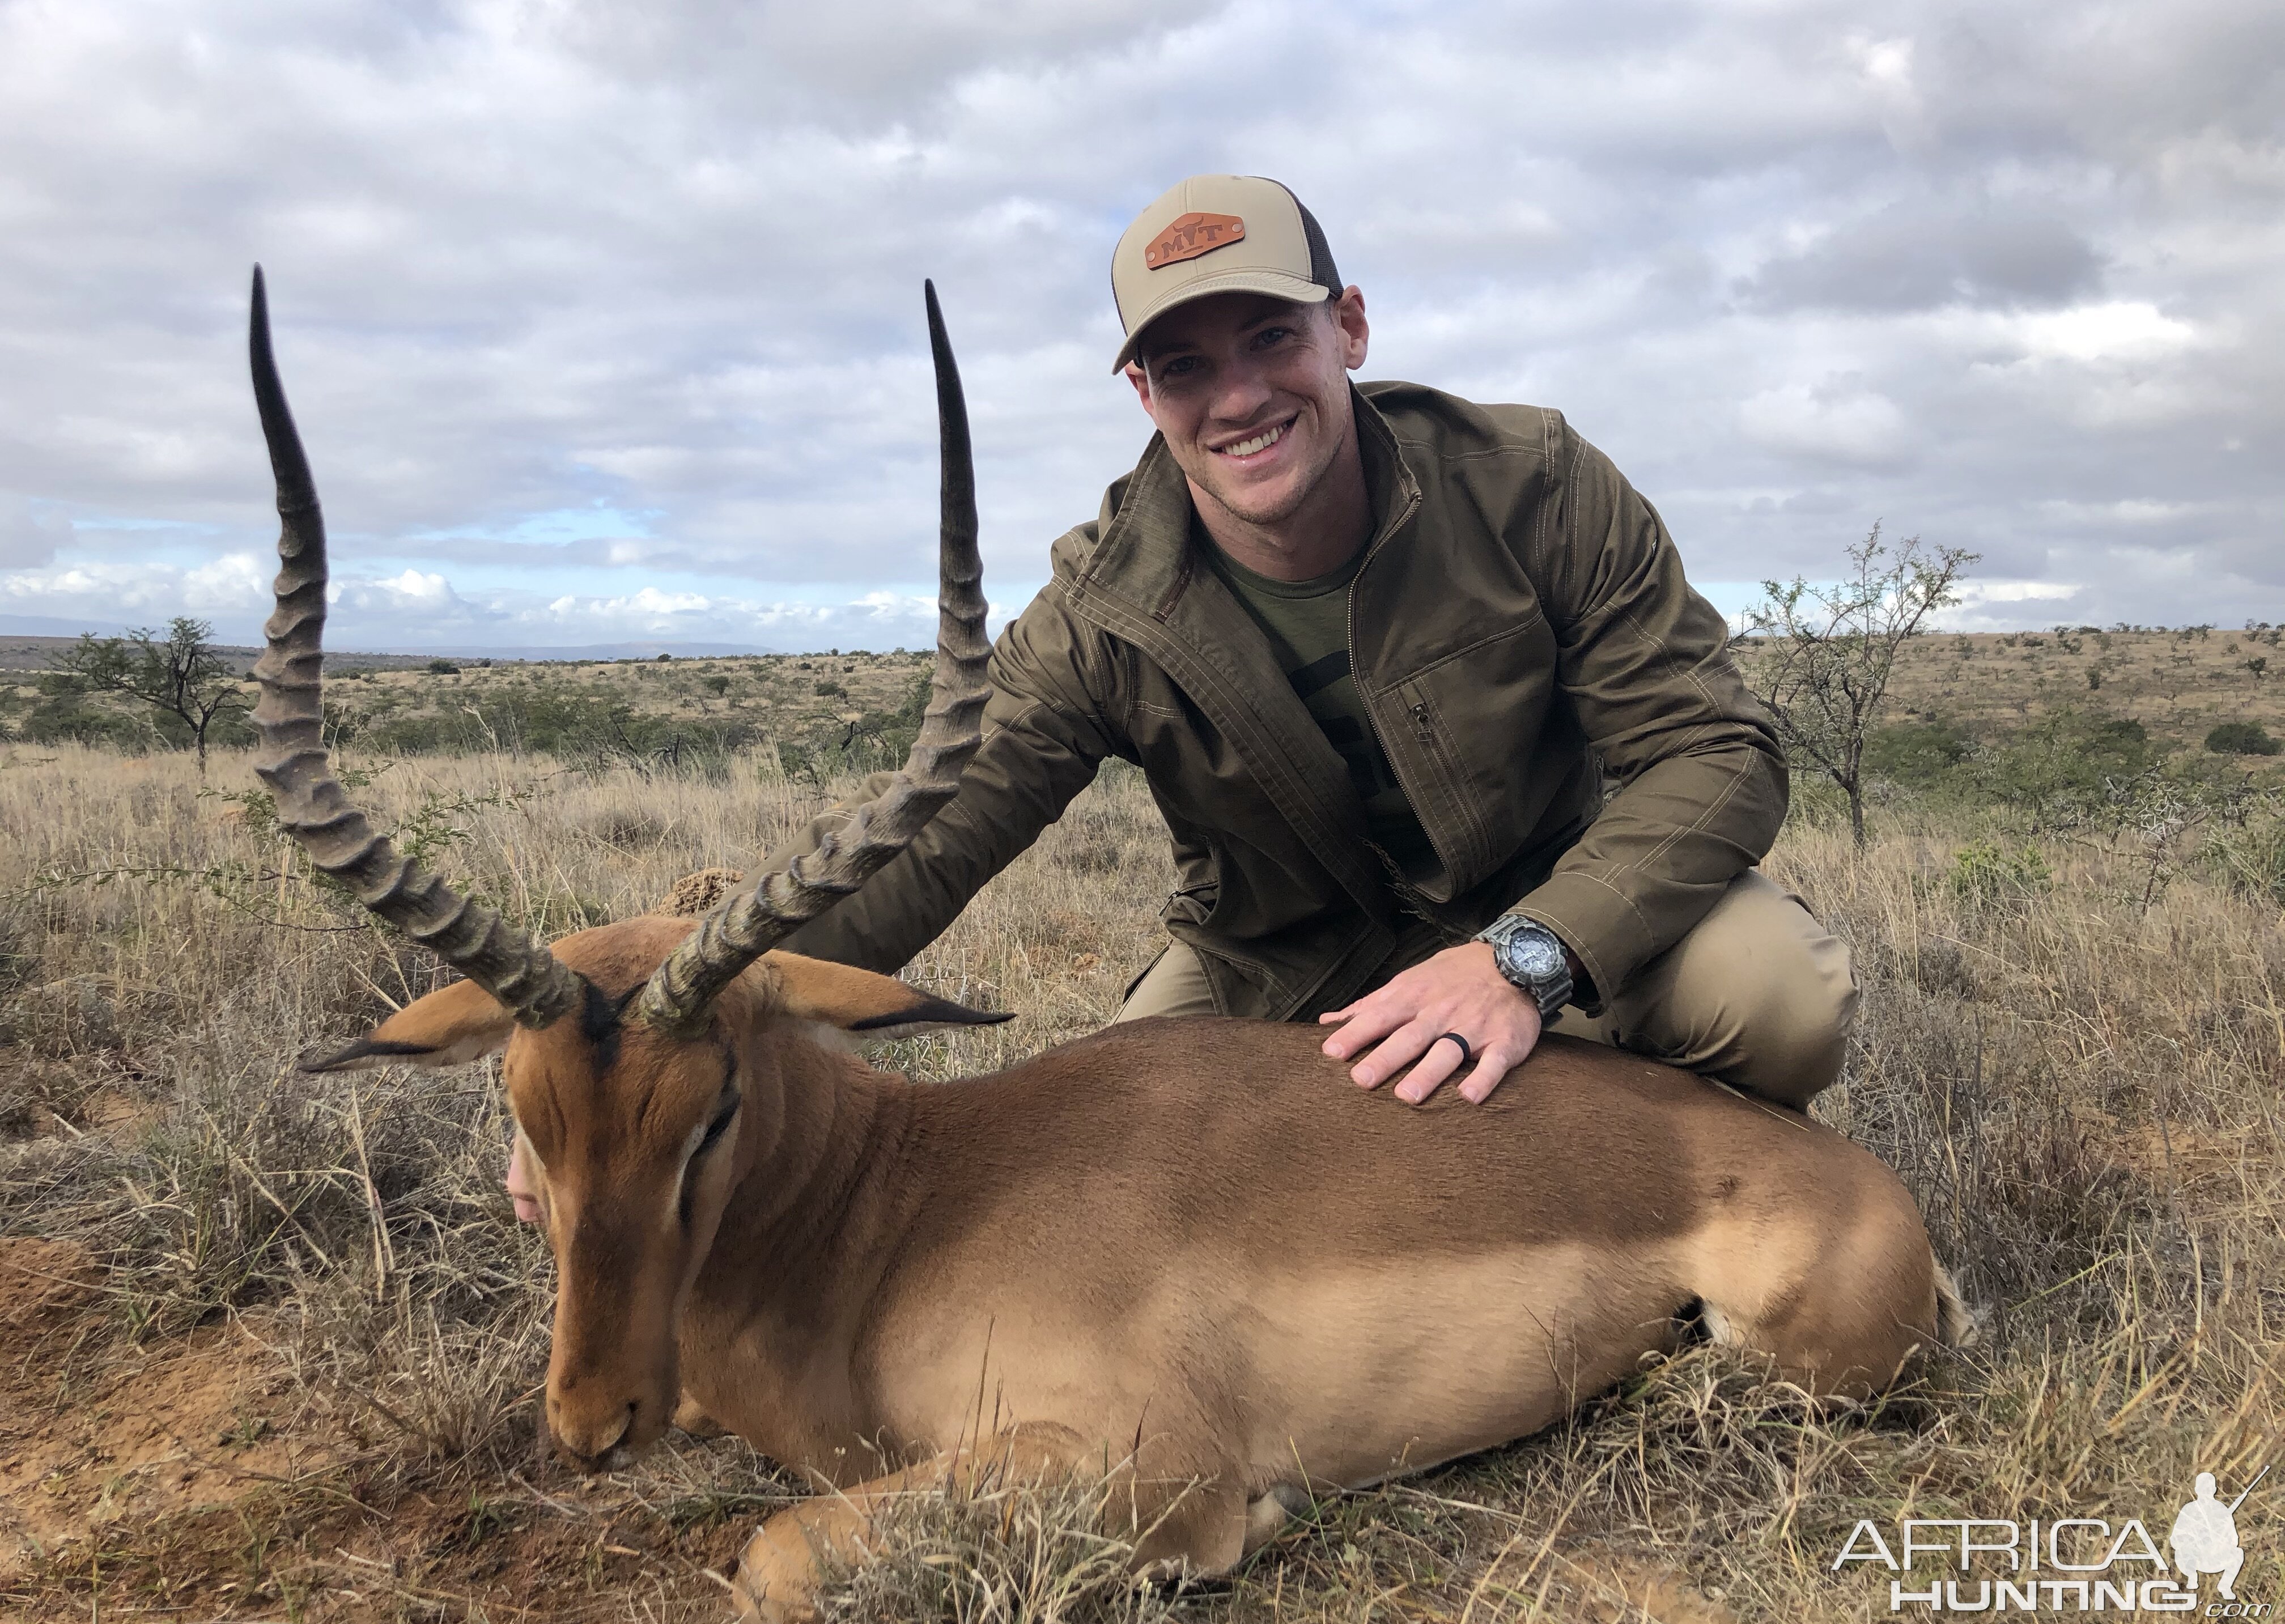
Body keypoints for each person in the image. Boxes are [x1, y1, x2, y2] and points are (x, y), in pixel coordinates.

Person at [506, 174, 1851, 1221]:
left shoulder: (1534, 482)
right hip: (1281, 964)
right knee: (1097, 1186)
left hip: (1553, 918)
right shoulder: (1101, 609)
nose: (1241, 396)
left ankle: (1687, 1189)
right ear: (1143, 390)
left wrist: (1524, 958)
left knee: (1776, 992)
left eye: (1273, 336)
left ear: (1351, 327)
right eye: (1188, 367)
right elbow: (933, 840)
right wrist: (623, 1045)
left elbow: (1717, 755)